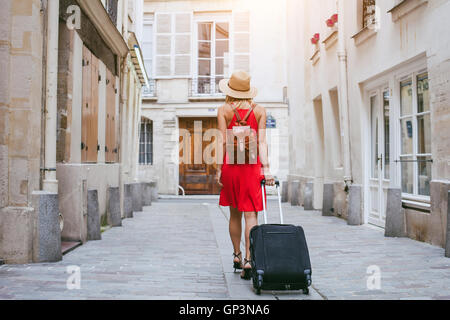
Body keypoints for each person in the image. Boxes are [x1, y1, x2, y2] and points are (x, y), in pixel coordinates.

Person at [216, 71, 275, 280]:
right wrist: (266, 168)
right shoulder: (259, 110)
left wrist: (218, 169)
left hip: (232, 166)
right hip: (251, 168)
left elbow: (223, 142)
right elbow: (262, 142)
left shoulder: (223, 110)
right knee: (251, 214)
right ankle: (250, 259)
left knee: (234, 214)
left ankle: (236, 255)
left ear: (230, 90)